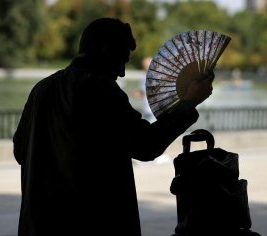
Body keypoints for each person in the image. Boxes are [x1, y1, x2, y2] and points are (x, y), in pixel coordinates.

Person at [13, 17, 214, 236]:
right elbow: (146, 145)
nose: (122, 73)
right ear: (106, 50)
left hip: (38, 224)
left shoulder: (41, 89)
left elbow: (20, 151)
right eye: (122, 60)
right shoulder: (100, 90)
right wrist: (187, 104)